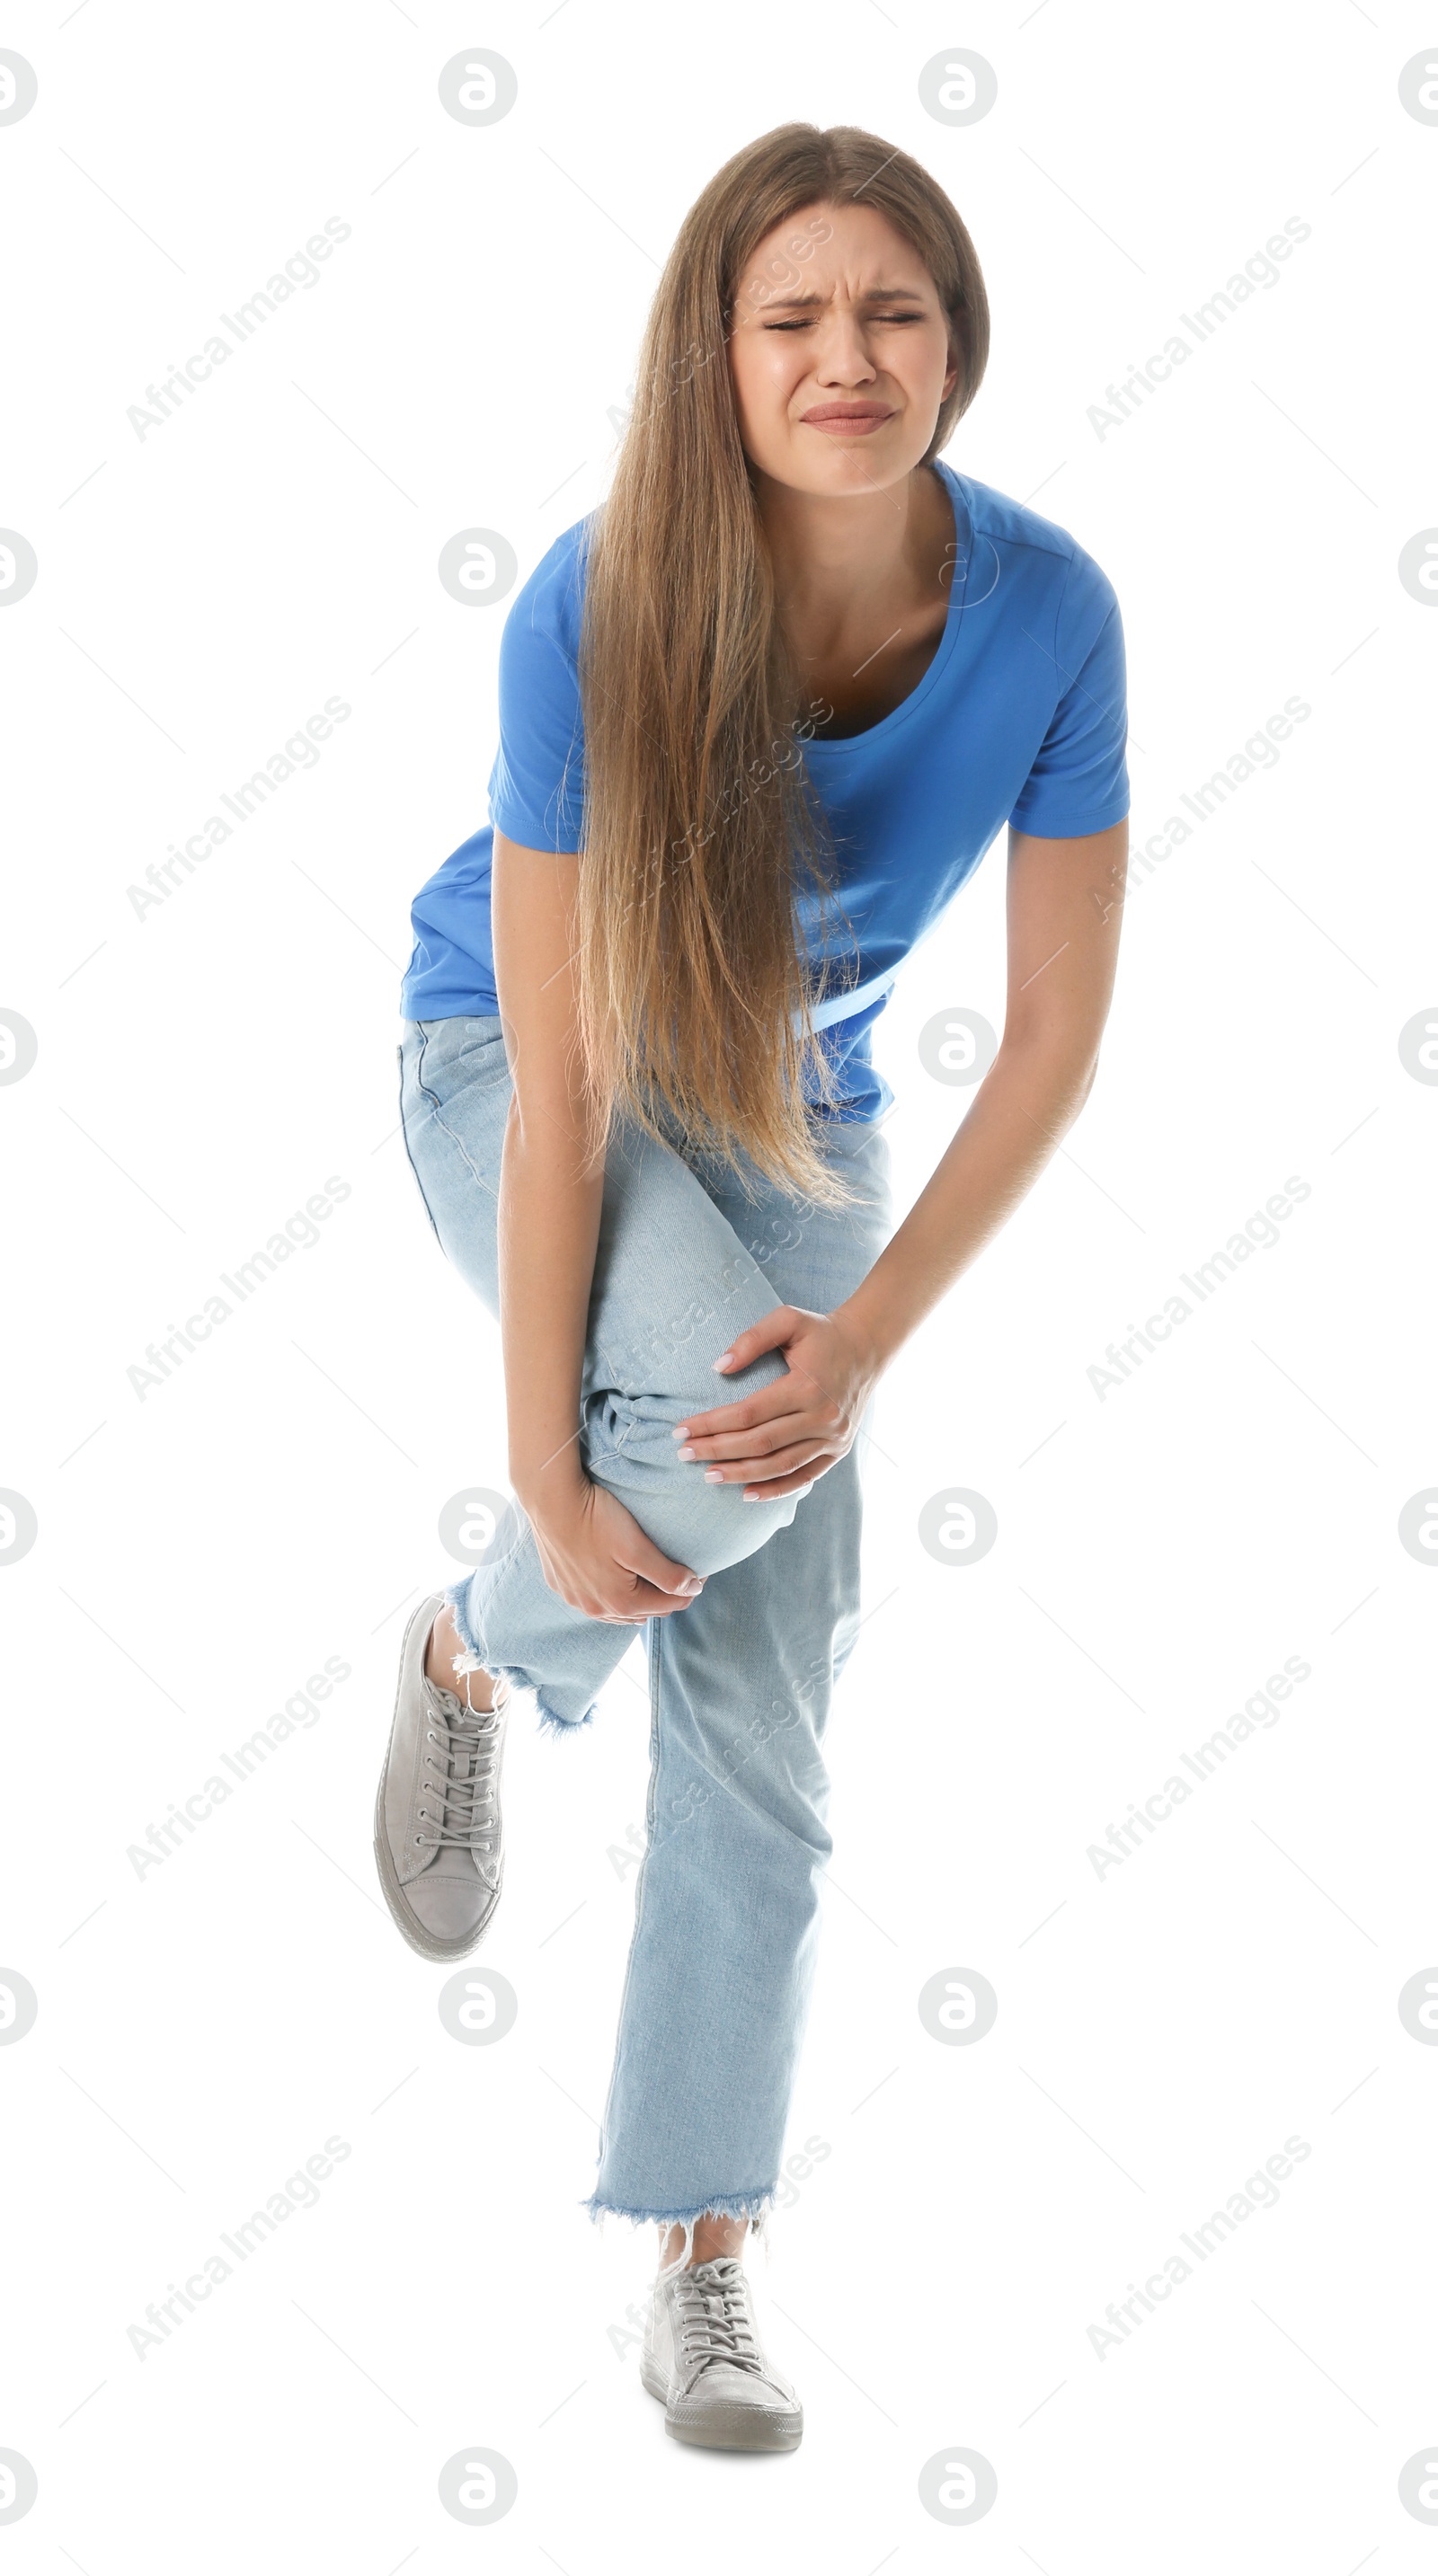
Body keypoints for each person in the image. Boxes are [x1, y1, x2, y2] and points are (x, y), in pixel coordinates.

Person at [376, 120, 1129, 2453]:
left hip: (798, 1118)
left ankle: (699, 2252)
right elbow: (575, 1067)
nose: (848, 357)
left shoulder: (1049, 607)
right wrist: (537, 1462)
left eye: (894, 312)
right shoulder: (595, 602)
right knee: (695, 1465)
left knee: (774, 1706)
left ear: (958, 343)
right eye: (792, 316)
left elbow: (1062, 1032)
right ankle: (478, 1638)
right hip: (525, 1061)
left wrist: (871, 1333)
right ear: (717, 356)